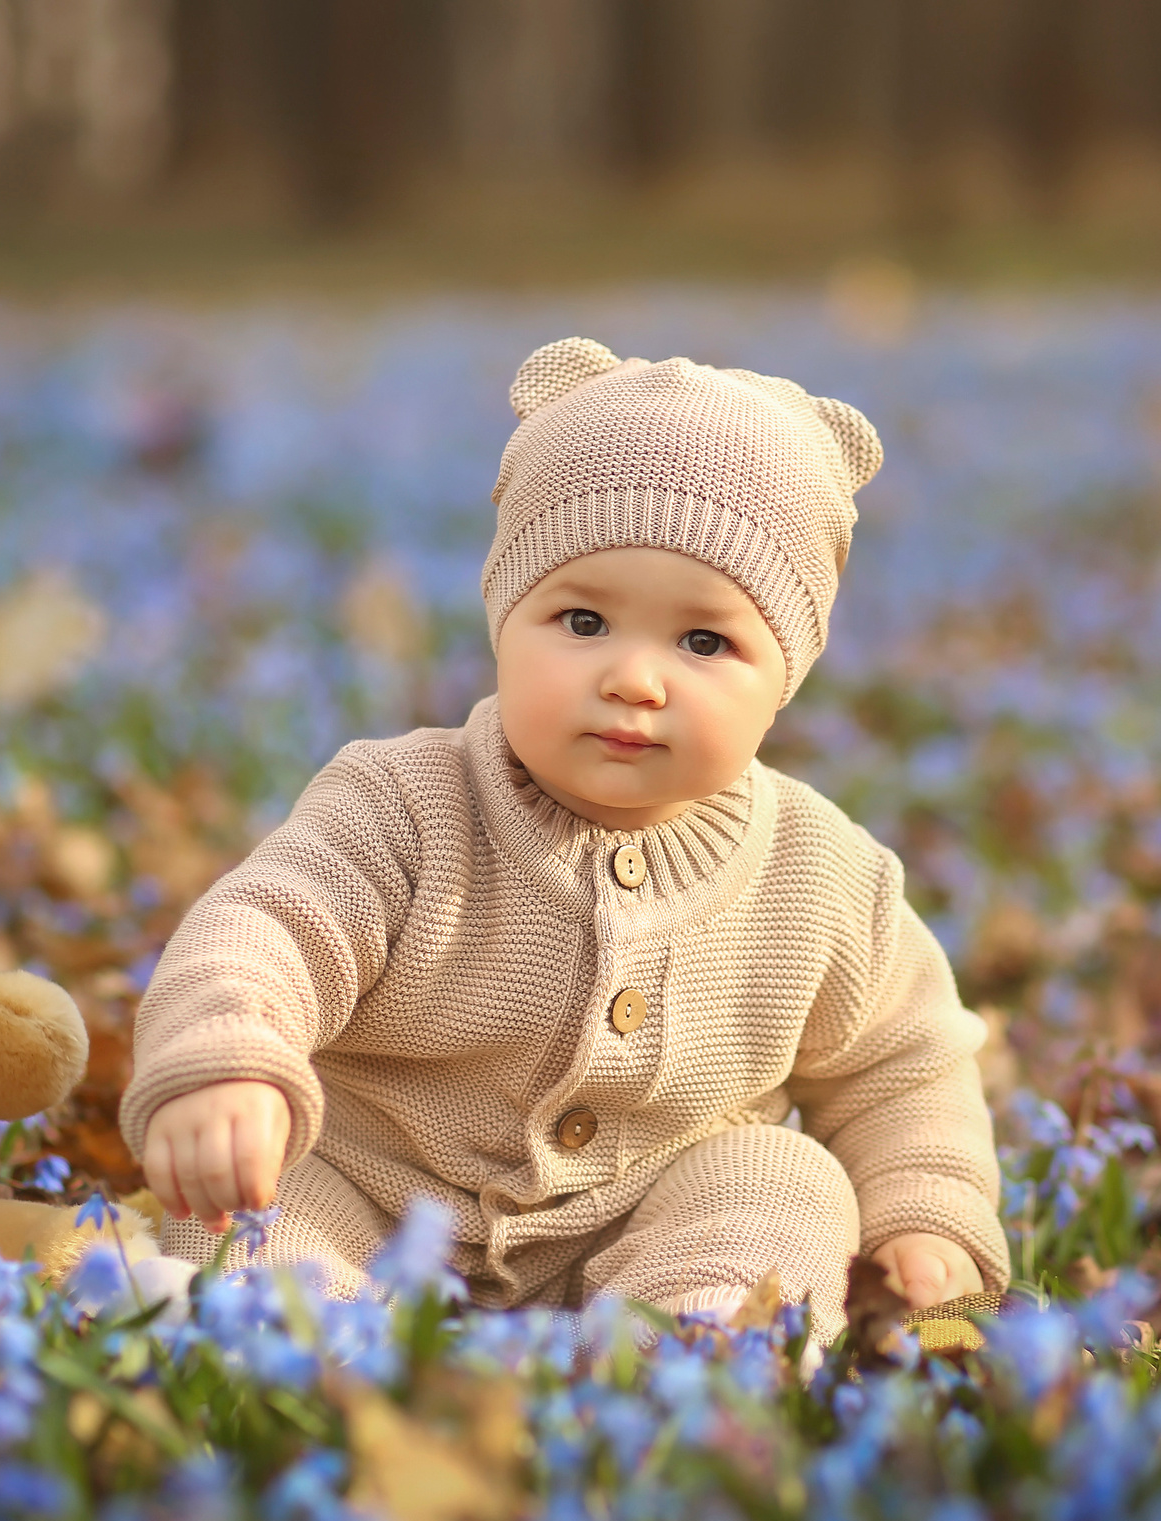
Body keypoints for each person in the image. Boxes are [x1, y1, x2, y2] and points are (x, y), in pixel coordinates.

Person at [119, 337, 1006, 1344]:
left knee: (785, 1175)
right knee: (245, 1214)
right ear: (504, 614)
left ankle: (691, 1348)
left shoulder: (824, 877)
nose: (634, 677)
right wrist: (227, 1065)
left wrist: (925, 1214)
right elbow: (267, 928)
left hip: (638, 1220)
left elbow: (905, 1065)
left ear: (788, 671)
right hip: (369, 1197)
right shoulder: (401, 805)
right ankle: (323, 1349)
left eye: (704, 642)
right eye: (582, 621)